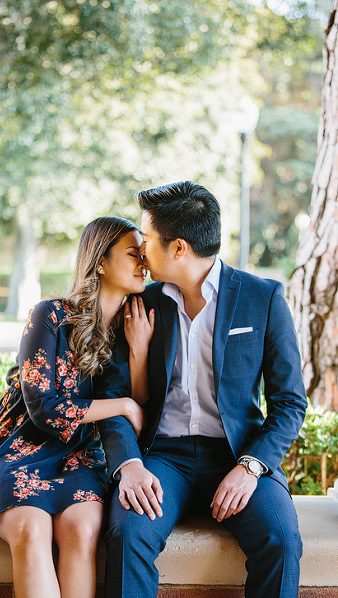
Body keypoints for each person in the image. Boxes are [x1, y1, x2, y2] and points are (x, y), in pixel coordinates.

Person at [98, 181, 306, 598]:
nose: (141, 251)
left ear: (178, 249)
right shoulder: (142, 303)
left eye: (149, 240)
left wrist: (251, 467)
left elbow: (289, 403)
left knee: (282, 542)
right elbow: (113, 393)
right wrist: (129, 465)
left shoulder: (263, 298)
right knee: (127, 536)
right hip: (163, 457)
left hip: (237, 453)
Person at [0, 216, 150, 598]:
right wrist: (119, 404)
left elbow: (139, 414)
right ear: (100, 262)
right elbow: (45, 408)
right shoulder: (49, 315)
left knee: (82, 529)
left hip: (80, 457)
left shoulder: (131, 326)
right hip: (18, 450)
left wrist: (138, 353)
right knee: (30, 529)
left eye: (145, 256)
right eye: (134, 254)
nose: (144, 264)